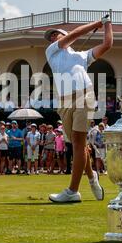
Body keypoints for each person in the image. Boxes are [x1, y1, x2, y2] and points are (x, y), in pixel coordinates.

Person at [45, 16, 111, 203]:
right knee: (78, 145)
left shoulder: (82, 56)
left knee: (78, 144)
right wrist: (96, 24)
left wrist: (106, 24)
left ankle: (73, 191)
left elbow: (107, 44)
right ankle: (92, 177)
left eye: (56, 35)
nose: (52, 38)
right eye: (51, 37)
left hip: (84, 95)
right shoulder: (52, 51)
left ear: (64, 36)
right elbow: (75, 34)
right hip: (64, 102)